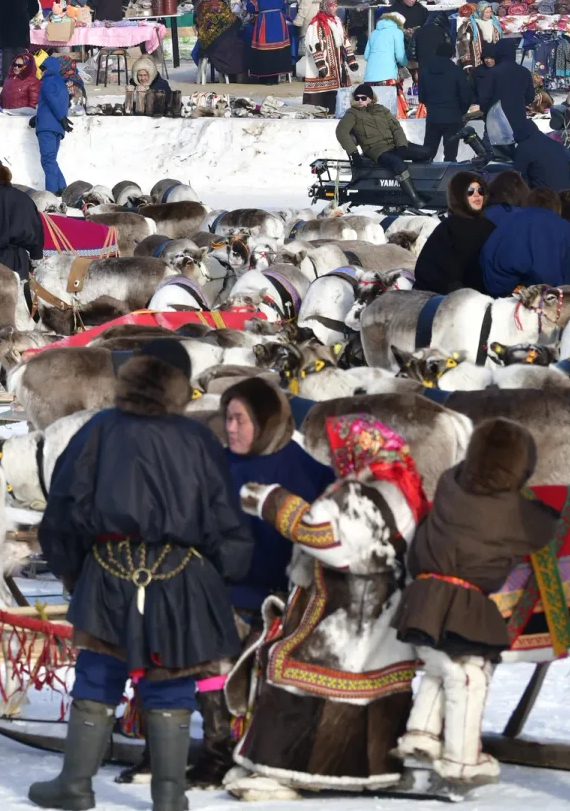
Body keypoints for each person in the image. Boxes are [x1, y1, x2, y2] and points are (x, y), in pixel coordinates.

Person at [33, 340, 252, 811]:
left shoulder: (98, 431)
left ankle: (75, 786)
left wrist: (75, 576)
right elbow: (224, 520)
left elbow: (63, 512)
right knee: (171, 680)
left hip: (108, 571)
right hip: (182, 575)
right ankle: (169, 797)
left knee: (97, 675)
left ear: (131, 375)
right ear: (180, 384)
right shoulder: (197, 440)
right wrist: (219, 580)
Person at [228, 413, 427, 800]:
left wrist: (271, 501)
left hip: (345, 617)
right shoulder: (405, 487)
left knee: (294, 672)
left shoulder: (363, 494)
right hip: (381, 615)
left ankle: (284, 769)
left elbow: (328, 540)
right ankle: (371, 769)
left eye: (340, 448)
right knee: (367, 691)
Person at [394, 419, 559, 786]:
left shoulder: (450, 483)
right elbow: (544, 528)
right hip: (462, 604)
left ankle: (421, 733)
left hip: (420, 597)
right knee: (471, 674)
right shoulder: (513, 511)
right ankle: (463, 758)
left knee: (442, 662)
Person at [219, 376, 335, 628]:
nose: (230, 428)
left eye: (239, 420)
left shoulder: (309, 474)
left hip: (283, 607)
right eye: (228, 418)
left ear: (264, 422)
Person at [480, 187, 570, 294]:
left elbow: (488, 256)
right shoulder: (567, 229)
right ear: (557, 206)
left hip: (511, 296)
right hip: (555, 299)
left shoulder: (507, 222)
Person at [337, 83, 426, 208]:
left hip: (393, 145)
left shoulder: (382, 110)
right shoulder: (352, 113)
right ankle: (414, 198)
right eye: (357, 98)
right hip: (376, 150)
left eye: (363, 98)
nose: (360, 101)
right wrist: (353, 153)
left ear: (371, 98)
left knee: (425, 152)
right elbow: (341, 132)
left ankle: (424, 186)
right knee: (397, 163)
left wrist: (401, 145)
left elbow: (396, 128)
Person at [414, 171, 496, 294]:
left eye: (480, 191)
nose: (477, 195)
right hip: (449, 302)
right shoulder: (449, 228)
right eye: (470, 191)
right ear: (459, 195)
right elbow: (427, 270)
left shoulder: (489, 226)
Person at [415, 39, 474, 160]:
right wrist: (461, 111)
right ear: (452, 55)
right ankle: (449, 178)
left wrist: (431, 106)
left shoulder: (425, 71)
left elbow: (422, 96)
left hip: (433, 116)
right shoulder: (456, 71)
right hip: (453, 117)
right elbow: (465, 95)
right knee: (450, 155)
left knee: (428, 153)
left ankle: (425, 177)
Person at [245, 0, 292, 82]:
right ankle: (276, 76)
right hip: (279, 20)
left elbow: (251, 7)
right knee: (278, 45)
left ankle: (264, 77)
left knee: (265, 46)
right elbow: (285, 5)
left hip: (264, 20)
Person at [34, 56, 71, 194]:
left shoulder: (48, 81)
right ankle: (63, 188)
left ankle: (51, 192)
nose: (42, 72)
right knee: (51, 160)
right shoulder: (61, 83)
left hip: (47, 128)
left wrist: (62, 118)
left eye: (44, 68)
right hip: (56, 127)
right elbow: (55, 105)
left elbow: (51, 101)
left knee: (48, 161)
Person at [363, 11, 409, 89]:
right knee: (388, 100)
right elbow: (400, 56)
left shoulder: (374, 33)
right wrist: (406, 63)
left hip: (369, 76)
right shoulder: (397, 32)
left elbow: (366, 56)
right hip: (388, 75)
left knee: (373, 100)